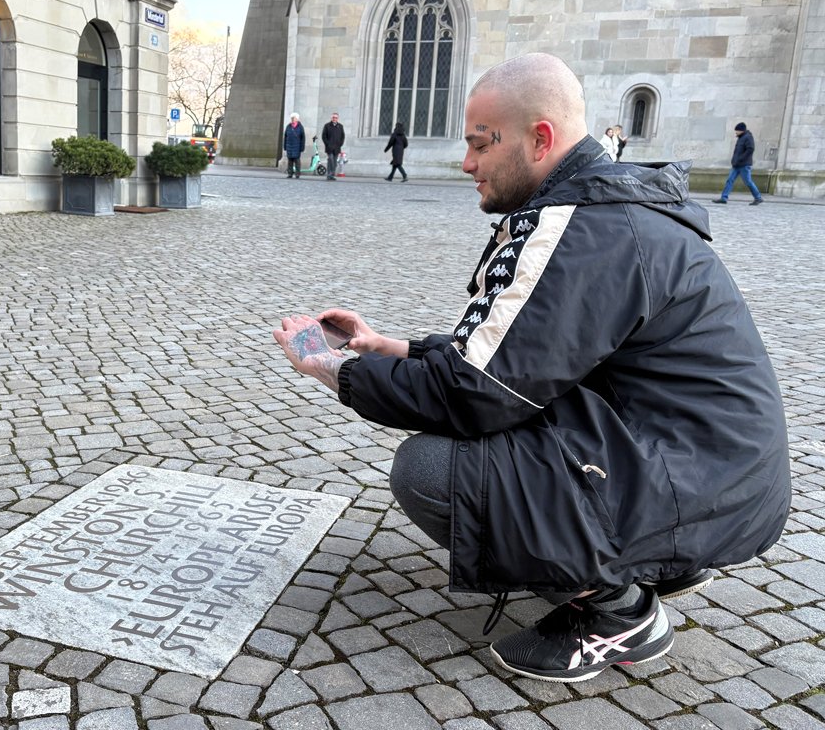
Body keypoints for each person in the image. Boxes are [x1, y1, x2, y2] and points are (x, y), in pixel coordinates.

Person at [273, 52, 789, 684]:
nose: (467, 163)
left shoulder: (583, 228)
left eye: (480, 144)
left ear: (540, 139)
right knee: (503, 435)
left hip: (702, 483)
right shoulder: (604, 210)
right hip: (712, 471)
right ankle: (648, 560)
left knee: (431, 471)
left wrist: (330, 367)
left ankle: (620, 611)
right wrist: (388, 346)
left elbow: (472, 394)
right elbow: (517, 358)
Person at [713, 122, 763, 205]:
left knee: (748, 182)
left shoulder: (748, 137)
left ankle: (758, 198)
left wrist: (740, 159)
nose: (736, 132)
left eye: (737, 130)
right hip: (736, 165)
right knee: (730, 180)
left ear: (741, 130)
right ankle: (724, 198)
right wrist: (734, 161)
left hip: (744, 165)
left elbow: (750, 149)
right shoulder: (741, 137)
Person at [321, 112, 345, 181]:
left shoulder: (340, 126)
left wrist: (340, 144)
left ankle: (332, 175)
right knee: (330, 159)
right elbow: (324, 136)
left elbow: (343, 136)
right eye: (333, 117)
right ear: (331, 118)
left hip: (337, 147)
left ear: (338, 118)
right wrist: (327, 144)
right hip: (329, 147)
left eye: (336, 118)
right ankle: (329, 174)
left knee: (334, 162)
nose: (334, 119)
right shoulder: (327, 126)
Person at [283, 113, 306, 179]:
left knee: (297, 161)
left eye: (294, 118)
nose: (292, 119)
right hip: (289, 146)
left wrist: (302, 147)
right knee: (290, 161)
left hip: (297, 147)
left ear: (297, 119)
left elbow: (303, 138)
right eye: (292, 118)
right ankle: (290, 174)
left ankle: (297, 174)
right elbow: (285, 137)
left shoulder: (300, 127)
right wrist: (285, 146)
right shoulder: (288, 126)